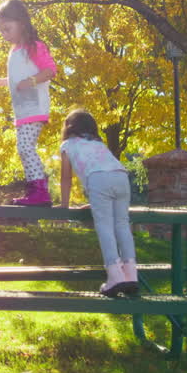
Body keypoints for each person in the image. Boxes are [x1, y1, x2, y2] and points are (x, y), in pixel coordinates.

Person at [58, 108, 139, 296]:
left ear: (69, 128)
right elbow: (106, 170)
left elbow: (66, 179)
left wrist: (64, 206)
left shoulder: (67, 145)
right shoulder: (99, 143)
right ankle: (130, 275)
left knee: (104, 227)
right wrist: (96, 203)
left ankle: (115, 276)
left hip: (98, 180)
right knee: (121, 225)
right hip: (121, 176)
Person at [0, 0, 57, 206]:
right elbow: (19, 78)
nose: (5, 35)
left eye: (8, 29)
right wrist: (2, 82)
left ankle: (40, 191)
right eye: (1, 31)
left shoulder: (34, 47)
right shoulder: (15, 52)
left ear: (22, 23)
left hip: (34, 107)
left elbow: (50, 70)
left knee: (26, 147)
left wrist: (33, 81)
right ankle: (34, 189)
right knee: (23, 148)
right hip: (22, 111)